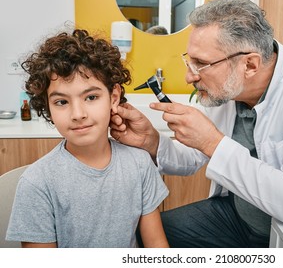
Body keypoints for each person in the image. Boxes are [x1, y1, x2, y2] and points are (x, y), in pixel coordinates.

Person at [110, 0, 283, 247]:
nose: (188, 77)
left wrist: (212, 143)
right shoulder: (229, 88)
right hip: (236, 216)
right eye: (189, 60)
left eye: (201, 64)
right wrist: (151, 141)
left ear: (249, 65)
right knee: (144, 235)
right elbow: (193, 157)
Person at [6, 29, 169, 248]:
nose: (78, 114)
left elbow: (157, 248)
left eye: (91, 97)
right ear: (47, 107)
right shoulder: (37, 183)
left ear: (113, 97)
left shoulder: (139, 165)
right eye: (61, 102)